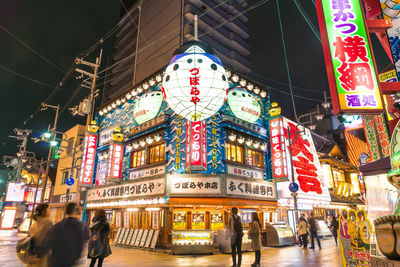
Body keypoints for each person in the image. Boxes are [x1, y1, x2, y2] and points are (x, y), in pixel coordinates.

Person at [40, 203, 87, 267]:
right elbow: (81, 244)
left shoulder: (58, 225)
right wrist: (77, 257)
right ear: (77, 211)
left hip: (56, 260)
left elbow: (49, 241)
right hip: (71, 261)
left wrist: (40, 253)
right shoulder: (82, 226)